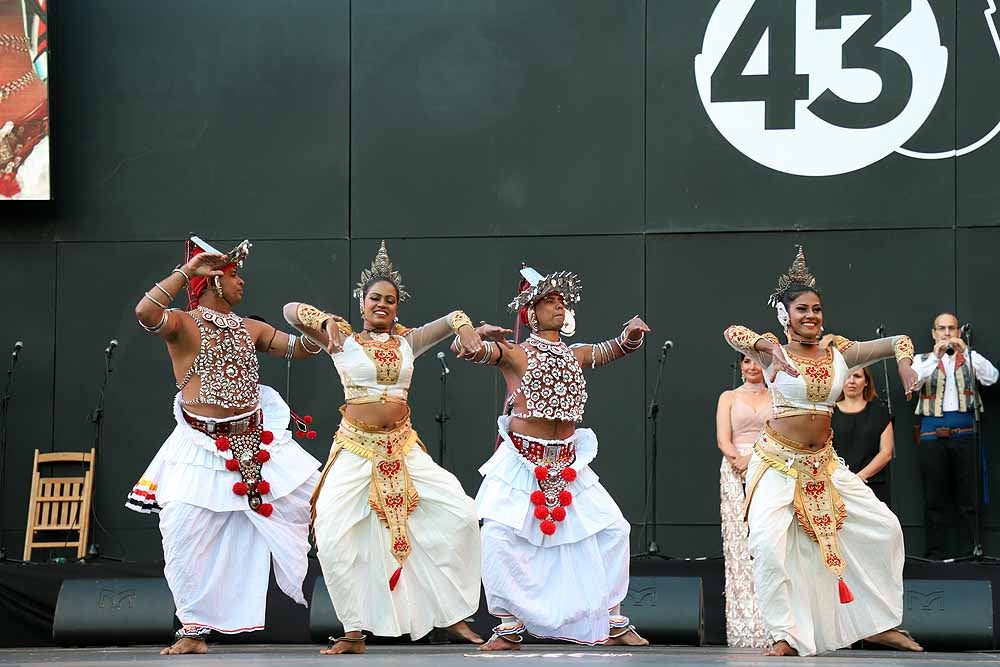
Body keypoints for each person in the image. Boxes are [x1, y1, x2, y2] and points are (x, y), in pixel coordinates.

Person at [283, 241, 484, 655]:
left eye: (389, 300)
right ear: (361, 302)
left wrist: (464, 325)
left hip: (403, 446)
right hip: (356, 446)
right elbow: (289, 310)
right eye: (375, 297)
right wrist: (322, 321)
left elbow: (449, 321)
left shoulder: (408, 340)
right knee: (334, 534)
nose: (382, 304)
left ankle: (452, 614)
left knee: (460, 514)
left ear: (397, 307)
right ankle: (353, 631)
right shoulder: (341, 337)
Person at [723, 245, 923, 657]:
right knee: (768, 545)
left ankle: (876, 622)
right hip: (776, 463)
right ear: (786, 316)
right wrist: (769, 345)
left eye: (816, 309)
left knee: (885, 529)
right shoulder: (768, 352)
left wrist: (904, 363)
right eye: (802, 310)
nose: (811, 316)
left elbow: (899, 340)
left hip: (824, 465)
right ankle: (785, 634)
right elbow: (731, 333)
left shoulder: (840, 353)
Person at [128, 236, 322, 655]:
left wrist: (318, 329)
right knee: (180, 530)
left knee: (327, 503)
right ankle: (193, 630)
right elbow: (145, 312)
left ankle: (358, 616)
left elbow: (300, 350)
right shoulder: (182, 323)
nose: (243, 284)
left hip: (258, 444)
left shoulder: (251, 328)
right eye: (235, 276)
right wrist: (187, 271)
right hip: (198, 446)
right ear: (214, 281)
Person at [453, 266, 650, 649]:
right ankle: (508, 626)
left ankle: (612, 620)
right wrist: (474, 334)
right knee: (498, 536)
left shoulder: (575, 355)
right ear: (530, 312)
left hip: (569, 464)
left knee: (613, 529)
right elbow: (468, 351)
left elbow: (613, 349)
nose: (558, 308)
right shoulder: (514, 354)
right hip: (523, 463)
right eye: (549, 302)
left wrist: (630, 336)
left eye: (562, 303)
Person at [911, 312, 998, 558]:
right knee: (934, 499)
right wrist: (936, 358)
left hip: (966, 435)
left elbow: (992, 378)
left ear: (958, 332)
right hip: (931, 436)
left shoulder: (970, 358)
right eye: (942, 328)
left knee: (969, 499)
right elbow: (914, 382)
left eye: (951, 328)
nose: (947, 333)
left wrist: (967, 351)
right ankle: (935, 555)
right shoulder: (922, 360)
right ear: (933, 333)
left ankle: (971, 553)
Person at [716, 354, 769, 648]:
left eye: (757, 361)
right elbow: (723, 438)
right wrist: (739, 461)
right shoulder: (728, 397)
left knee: (767, 541)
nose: (751, 367)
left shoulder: (777, 395)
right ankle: (743, 627)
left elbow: (778, 434)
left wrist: (755, 460)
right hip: (734, 469)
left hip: (770, 466)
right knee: (739, 543)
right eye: (746, 361)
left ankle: (772, 626)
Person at [832, 367, 893, 506]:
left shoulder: (879, 411)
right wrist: (844, 479)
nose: (851, 381)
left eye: (857, 376)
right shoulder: (829, 412)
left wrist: (860, 477)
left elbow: (886, 452)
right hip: (839, 485)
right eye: (847, 377)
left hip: (873, 485)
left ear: (866, 382)